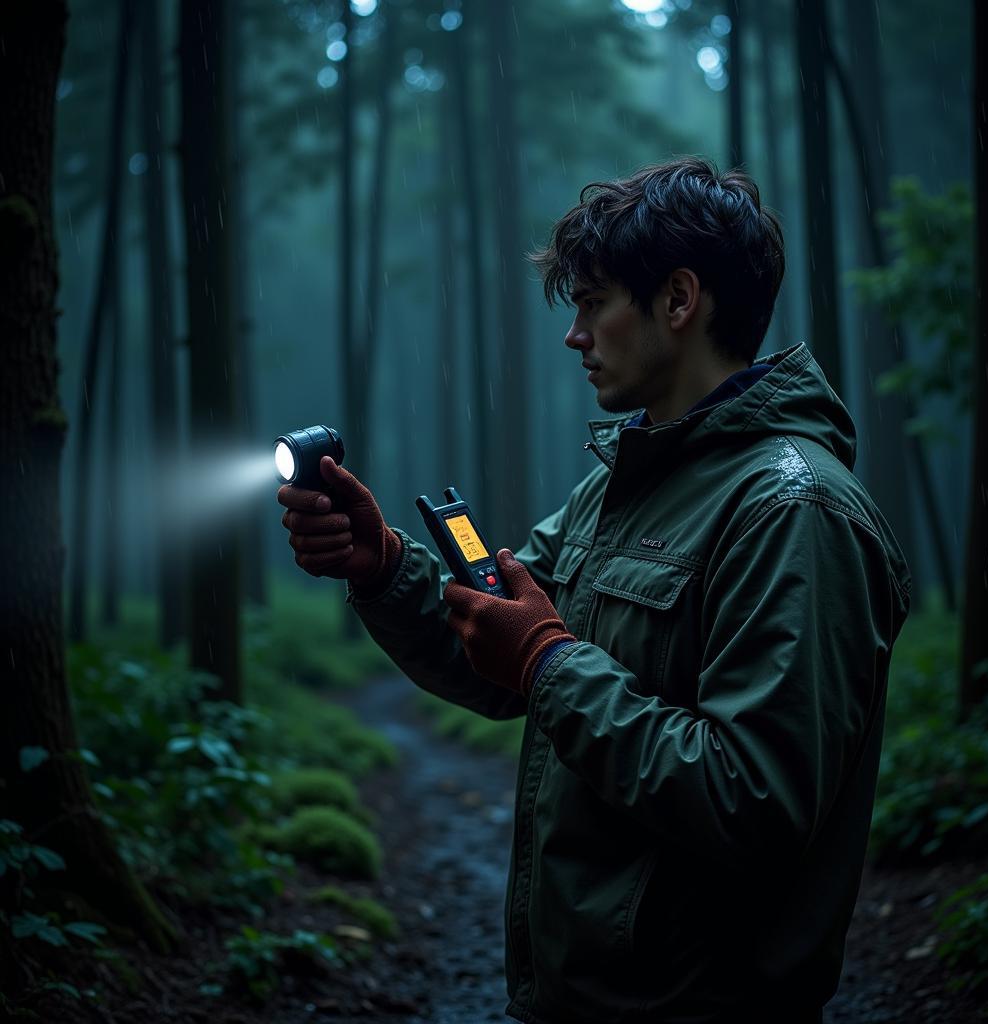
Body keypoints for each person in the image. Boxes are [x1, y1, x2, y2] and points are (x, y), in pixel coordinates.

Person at [277, 157, 912, 1024]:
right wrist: (381, 566)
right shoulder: (622, 482)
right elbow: (494, 655)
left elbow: (754, 801)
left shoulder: (794, 510)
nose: (574, 335)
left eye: (591, 303)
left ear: (679, 300)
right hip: (580, 994)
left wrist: (548, 661)